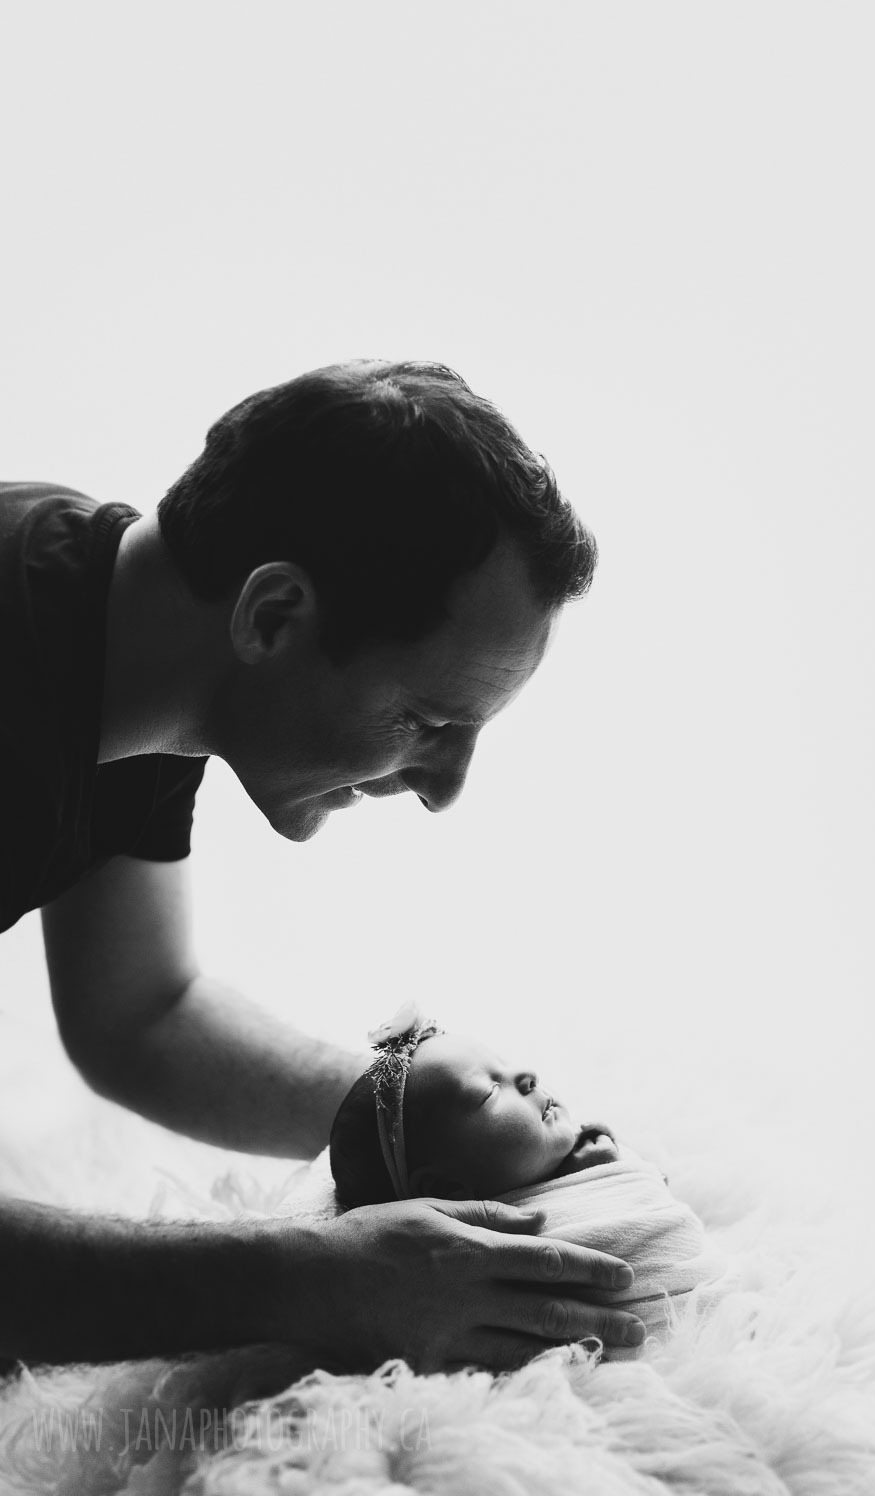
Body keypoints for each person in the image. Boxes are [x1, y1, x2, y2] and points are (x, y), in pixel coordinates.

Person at [0, 360, 645, 1375]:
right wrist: (305, 1279)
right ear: (272, 617)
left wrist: (420, 1110)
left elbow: (141, 1013)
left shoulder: (119, 633)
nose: (443, 790)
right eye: (424, 721)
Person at [328, 1007, 726, 1357]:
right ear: (448, 1191)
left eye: (505, 1063)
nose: (527, 1075)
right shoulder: (489, 1254)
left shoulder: (571, 1151)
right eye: (488, 1092)